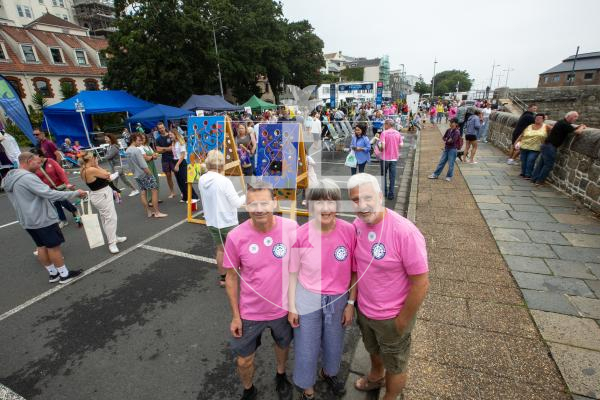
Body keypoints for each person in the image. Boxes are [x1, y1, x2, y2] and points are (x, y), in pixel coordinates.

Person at [348, 173, 429, 400]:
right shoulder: (357, 225)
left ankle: (390, 397)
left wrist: (403, 320)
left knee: (396, 364)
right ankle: (375, 377)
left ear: (380, 196)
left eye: (367, 198)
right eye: (355, 200)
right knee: (372, 349)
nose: (362, 205)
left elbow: (421, 283)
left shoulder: (405, 232)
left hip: (392, 316)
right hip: (365, 311)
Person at [223, 180, 297, 400]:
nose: (259, 209)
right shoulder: (236, 236)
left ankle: (281, 374)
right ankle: (248, 389)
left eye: (264, 203)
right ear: (246, 206)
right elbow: (230, 278)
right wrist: (236, 316)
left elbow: (299, 269)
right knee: (244, 360)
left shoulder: (292, 228)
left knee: (283, 345)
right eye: (253, 204)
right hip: (250, 313)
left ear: (274, 203)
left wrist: (294, 306)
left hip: (282, 310)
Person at [288, 179, 357, 400]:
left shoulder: (349, 231)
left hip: (337, 299)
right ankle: (307, 385)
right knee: (306, 346)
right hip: (307, 297)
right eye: (319, 202)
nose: (326, 208)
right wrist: (292, 306)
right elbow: (293, 273)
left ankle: (328, 373)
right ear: (310, 206)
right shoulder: (300, 234)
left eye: (331, 202)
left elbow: (355, 272)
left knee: (334, 342)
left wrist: (350, 303)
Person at [2, 152, 87, 283]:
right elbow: (49, 194)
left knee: (41, 246)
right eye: (37, 162)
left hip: (27, 220)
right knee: (54, 247)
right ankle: (64, 275)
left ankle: (53, 274)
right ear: (29, 161)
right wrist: (75, 193)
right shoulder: (27, 177)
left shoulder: (9, 177)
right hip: (41, 218)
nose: (39, 165)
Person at [198, 150, 246, 287]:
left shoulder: (202, 179)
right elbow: (237, 203)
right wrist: (247, 194)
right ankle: (238, 277)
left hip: (212, 222)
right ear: (222, 164)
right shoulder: (224, 181)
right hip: (228, 222)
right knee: (238, 251)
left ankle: (223, 278)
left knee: (221, 250)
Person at [80, 151, 127, 254]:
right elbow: (107, 175)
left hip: (99, 194)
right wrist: (97, 166)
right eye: (95, 158)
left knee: (105, 218)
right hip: (102, 195)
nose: (97, 160)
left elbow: (105, 177)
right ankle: (112, 243)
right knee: (111, 218)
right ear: (91, 159)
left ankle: (114, 237)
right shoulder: (91, 169)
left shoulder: (83, 169)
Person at [531, 111, 586, 186]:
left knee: (541, 163)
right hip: (550, 147)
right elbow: (578, 132)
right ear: (569, 116)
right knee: (548, 165)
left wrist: (579, 126)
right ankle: (540, 181)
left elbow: (571, 129)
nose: (576, 119)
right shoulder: (564, 124)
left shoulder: (562, 122)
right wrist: (582, 127)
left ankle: (534, 179)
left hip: (546, 145)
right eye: (575, 116)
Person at [30, 148, 81, 229]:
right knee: (56, 204)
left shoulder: (50, 161)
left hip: (59, 185)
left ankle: (74, 210)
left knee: (62, 200)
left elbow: (60, 172)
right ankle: (63, 219)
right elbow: (37, 178)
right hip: (48, 188)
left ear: (39, 155)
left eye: (34, 157)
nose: (33, 160)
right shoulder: (36, 166)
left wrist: (67, 183)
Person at [126, 133, 167, 218]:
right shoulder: (136, 150)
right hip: (144, 173)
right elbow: (143, 165)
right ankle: (157, 212)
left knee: (143, 193)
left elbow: (130, 165)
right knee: (154, 191)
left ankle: (149, 212)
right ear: (133, 140)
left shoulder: (127, 150)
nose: (140, 142)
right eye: (139, 140)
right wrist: (150, 174)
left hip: (136, 175)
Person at [514, 113, 551, 180]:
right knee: (523, 160)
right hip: (524, 146)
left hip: (535, 147)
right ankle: (523, 173)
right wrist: (516, 141)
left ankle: (528, 174)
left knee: (530, 160)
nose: (537, 119)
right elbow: (522, 135)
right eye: (536, 118)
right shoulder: (529, 126)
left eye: (539, 118)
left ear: (543, 119)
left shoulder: (546, 127)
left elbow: (553, 133)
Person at [375, 119, 403, 200]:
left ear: (388, 124)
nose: (384, 126)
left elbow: (382, 147)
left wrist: (378, 144)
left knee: (383, 175)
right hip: (394, 158)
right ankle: (391, 194)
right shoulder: (398, 133)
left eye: (385, 124)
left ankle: (384, 192)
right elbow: (401, 145)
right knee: (392, 177)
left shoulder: (384, 133)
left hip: (384, 158)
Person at [169, 128, 198, 203]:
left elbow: (182, 155)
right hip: (175, 161)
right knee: (179, 181)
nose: (170, 136)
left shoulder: (181, 142)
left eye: (171, 135)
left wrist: (177, 165)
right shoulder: (173, 143)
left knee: (185, 180)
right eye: (169, 135)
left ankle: (194, 196)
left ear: (175, 135)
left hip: (181, 162)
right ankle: (185, 197)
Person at [154, 122, 177, 198]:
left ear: (164, 127)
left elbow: (172, 148)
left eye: (162, 127)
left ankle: (183, 191)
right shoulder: (158, 139)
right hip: (165, 159)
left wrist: (163, 148)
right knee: (168, 175)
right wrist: (167, 149)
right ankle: (172, 192)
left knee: (178, 175)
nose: (162, 129)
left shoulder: (170, 135)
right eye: (160, 128)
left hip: (174, 158)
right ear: (158, 129)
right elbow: (158, 150)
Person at [140, 134, 161, 205]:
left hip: (152, 165)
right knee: (150, 182)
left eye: (144, 138)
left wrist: (152, 156)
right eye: (141, 138)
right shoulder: (140, 148)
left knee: (156, 180)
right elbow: (146, 158)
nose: (143, 139)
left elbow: (155, 156)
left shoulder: (148, 146)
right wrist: (153, 156)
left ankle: (156, 198)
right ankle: (150, 199)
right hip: (146, 166)